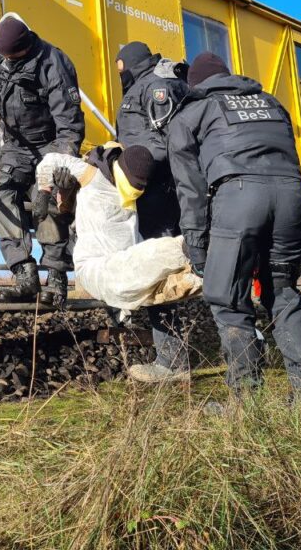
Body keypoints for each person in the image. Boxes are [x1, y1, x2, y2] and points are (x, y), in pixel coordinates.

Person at [168, 52, 301, 392]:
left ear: (196, 84)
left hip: (239, 198)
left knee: (229, 299)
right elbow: (292, 158)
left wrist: (196, 245)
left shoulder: (192, 113)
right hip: (292, 197)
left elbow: (190, 188)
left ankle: (245, 401)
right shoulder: (272, 103)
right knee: (282, 292)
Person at [0, 13, 84, 307]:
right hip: (16, 146)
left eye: (13, 57)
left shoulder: (53, 63)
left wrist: (58, 165)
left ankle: (57, 278)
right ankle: (24, 273)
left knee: (50, 203)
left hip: (50, 144)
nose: (6, 61)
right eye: (2, 56)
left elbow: (69, 125)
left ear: (26, 47)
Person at [33, 143, 200, 314]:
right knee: (137, 267)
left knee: (172, 285)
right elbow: (50, 160)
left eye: (140, 187)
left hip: (131, 265)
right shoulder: (93, 175)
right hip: (96, 266)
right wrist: (44, 192)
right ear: (121, 171)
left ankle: (207, 270)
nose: (136, 191)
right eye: (133, 185)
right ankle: (191, 248)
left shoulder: (135, 196)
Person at [113, 41, 190, 383]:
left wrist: (128, 165)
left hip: (161, 189)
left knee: (162, 268)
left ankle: (173, 364)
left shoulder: (156, 87)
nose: (121, 75)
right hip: (156, 187)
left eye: (121, 69)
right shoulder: (149, 84)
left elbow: (165, 143)